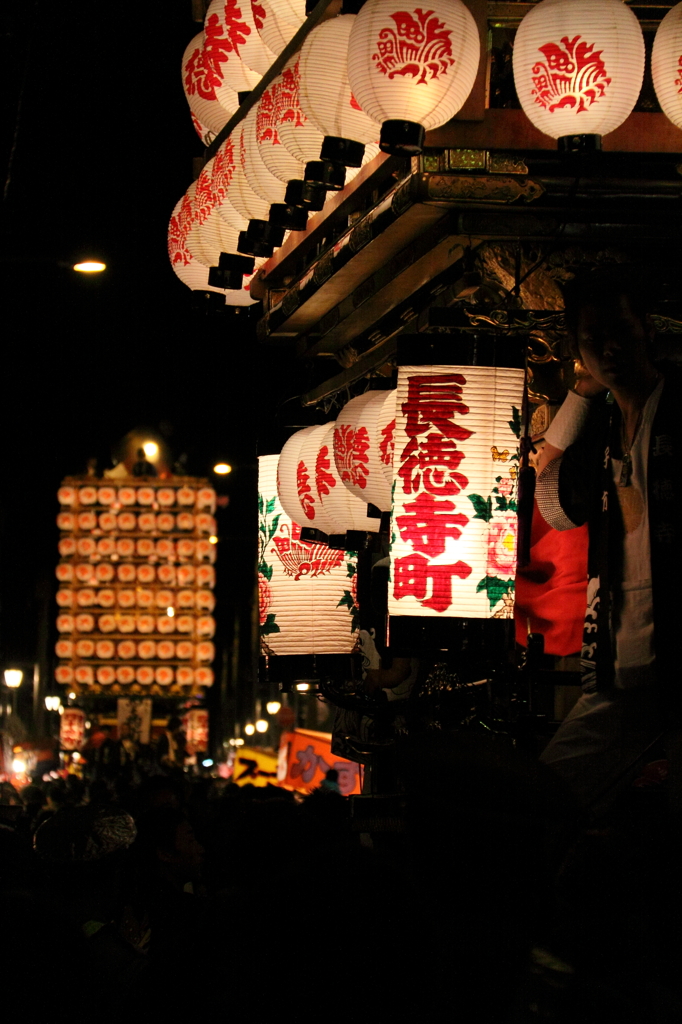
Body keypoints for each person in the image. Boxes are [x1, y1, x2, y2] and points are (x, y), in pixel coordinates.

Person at [535, 265, 681, 810]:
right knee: (549, 793)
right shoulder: (599, 426)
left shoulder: (677, 403)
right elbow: (554, 502)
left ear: (646, 328)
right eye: (593, 341)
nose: (609, 350)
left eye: (619, 332)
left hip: (672, 642)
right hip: (619, 655)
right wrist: (582, 394)